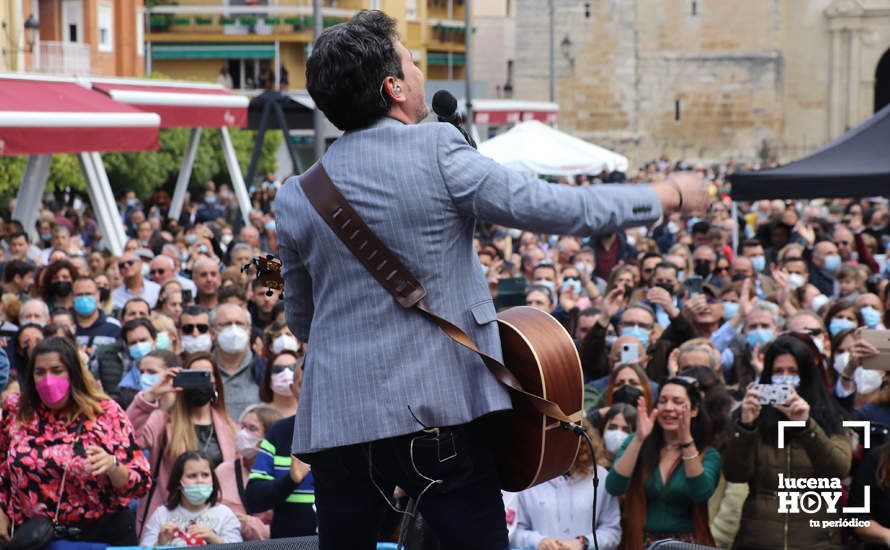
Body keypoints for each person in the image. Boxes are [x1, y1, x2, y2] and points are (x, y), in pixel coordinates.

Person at [277, 10, 705, 547]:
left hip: (337, 426)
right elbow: (556, 207)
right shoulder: (436, 148)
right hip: (438, 416)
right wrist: (666, 195)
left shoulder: (298, 191)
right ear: (393, 87)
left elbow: (301, 318)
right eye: (411, 61)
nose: (419, 72)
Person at [0, 337, 151, 545]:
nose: (48, 379)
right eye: (40, 372)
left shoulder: (104, 412)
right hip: (36, 538)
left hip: (99, 537)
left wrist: (113, 466)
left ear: (74, 373)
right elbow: (2, 466)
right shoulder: (16, 411)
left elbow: (141, 483)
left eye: (57, 370)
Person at [722, 334, 851, 550]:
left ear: (807, 376)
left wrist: (807, 426)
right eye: (778, 372)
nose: (785, 379)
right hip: (759, 539)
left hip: (816, 541)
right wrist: (746, 427)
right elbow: (735, 474)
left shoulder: (832, 417)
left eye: (793, 372)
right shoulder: (753, 417)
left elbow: (838, 469)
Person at [127, 351, 237, 535]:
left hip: (215, 524)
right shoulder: (163, 421)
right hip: (169, 525)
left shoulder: (229, 428)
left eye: (206, 375)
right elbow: (128, 437)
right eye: (193, 375)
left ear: (216, 382)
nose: (200, 382)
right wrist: (152, 394)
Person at [606, 377, 720, 548]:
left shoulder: (707, 454)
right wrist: (639, 439)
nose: (668, 408)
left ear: (694, 409)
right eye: (663, 401)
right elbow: (614, 486)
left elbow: (701, 493)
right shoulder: (636, 443)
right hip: (639, 541)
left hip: (686, 543)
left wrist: (687, 442)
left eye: (677, 401)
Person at [511, 422, 622, 550]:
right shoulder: (529, 478)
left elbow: (612, 532)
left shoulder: (600, 477)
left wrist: (583, 543)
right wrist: (539, 542)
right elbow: (513, 531)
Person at [243, 363, 316, 538]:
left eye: (318, 383)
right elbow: (253, 500)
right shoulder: (280, 432)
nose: (313, 391)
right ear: (294, 390)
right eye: (304, 384)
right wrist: (290, 480)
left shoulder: (350, 434)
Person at [140, 450, 243, 547]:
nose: (200, 480)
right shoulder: (161, 514)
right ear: (178, 483)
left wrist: (215, 539)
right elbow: (144, 547)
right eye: (192, 476)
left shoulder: (225, 514)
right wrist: (160, 543)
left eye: (205, 475)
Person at [216, 405, 283, 541]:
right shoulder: (222, 471)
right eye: (242, 427)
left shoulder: (284, 476)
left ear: (269, 438)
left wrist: (252, 525)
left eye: (252, 429)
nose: (243, 434)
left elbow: (288, 528)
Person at [259, 350, 301, 418]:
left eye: (293, 367)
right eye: (278, 369)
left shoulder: (312, 410)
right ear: (269, 379)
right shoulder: (258, 414)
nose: (286, 372)